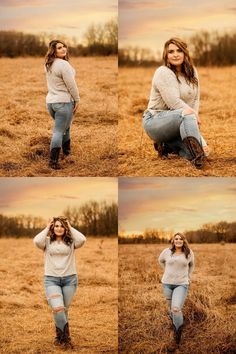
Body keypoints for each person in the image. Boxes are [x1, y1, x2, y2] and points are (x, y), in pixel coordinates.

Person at [143, 37, 209, 169]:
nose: (175, 54)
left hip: (181, 119)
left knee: (206, 151)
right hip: (156, 121)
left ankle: (168, 146)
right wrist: (193, 116)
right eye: (171, 51)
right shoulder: (163, 72)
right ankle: (197, 160)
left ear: (185, 53)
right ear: (166, 55)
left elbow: (196, 99)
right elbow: (173, 103)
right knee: (187, 116)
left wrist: (194, 119)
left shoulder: (192, 72)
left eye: (179, 50)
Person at [33, 216, 86, 348]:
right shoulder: (46, 242)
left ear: (65, 228)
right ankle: (64, 338)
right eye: (56, 226)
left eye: (62, 226)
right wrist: (47, 227)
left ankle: (62, 340)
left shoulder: (71, 242)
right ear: (52, 227)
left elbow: (82, 239)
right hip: (51, 280)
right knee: (58, 309)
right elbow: (36, 241)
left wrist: (70, 226)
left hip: (70, 280)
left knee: (64, 310)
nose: (59, 228)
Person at [45, 40, 80, 169]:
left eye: (64, 46)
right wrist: (77, 99)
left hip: (51, 103)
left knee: (66, 127)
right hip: (64, 102)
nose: (63, 49)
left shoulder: (48, 64)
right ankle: (53, 162)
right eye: (59, 48)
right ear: (53, 50)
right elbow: (71, 85)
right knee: (59, 131)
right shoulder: (63, 64)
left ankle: (67, 153)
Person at [158, 233, 194, 346]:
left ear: (184, 241)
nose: (178, 241)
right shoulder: (166, 252)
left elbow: (192, 265)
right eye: (176, 239)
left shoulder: (188, 252)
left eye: (180, 239)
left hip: (181, 284)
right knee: (170, 310)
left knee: (176, 308)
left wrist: (189, 276)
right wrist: (166, 271)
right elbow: (160, 260)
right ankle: (174, 326)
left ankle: (178, 334)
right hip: (167, 284)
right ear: (173, 241)